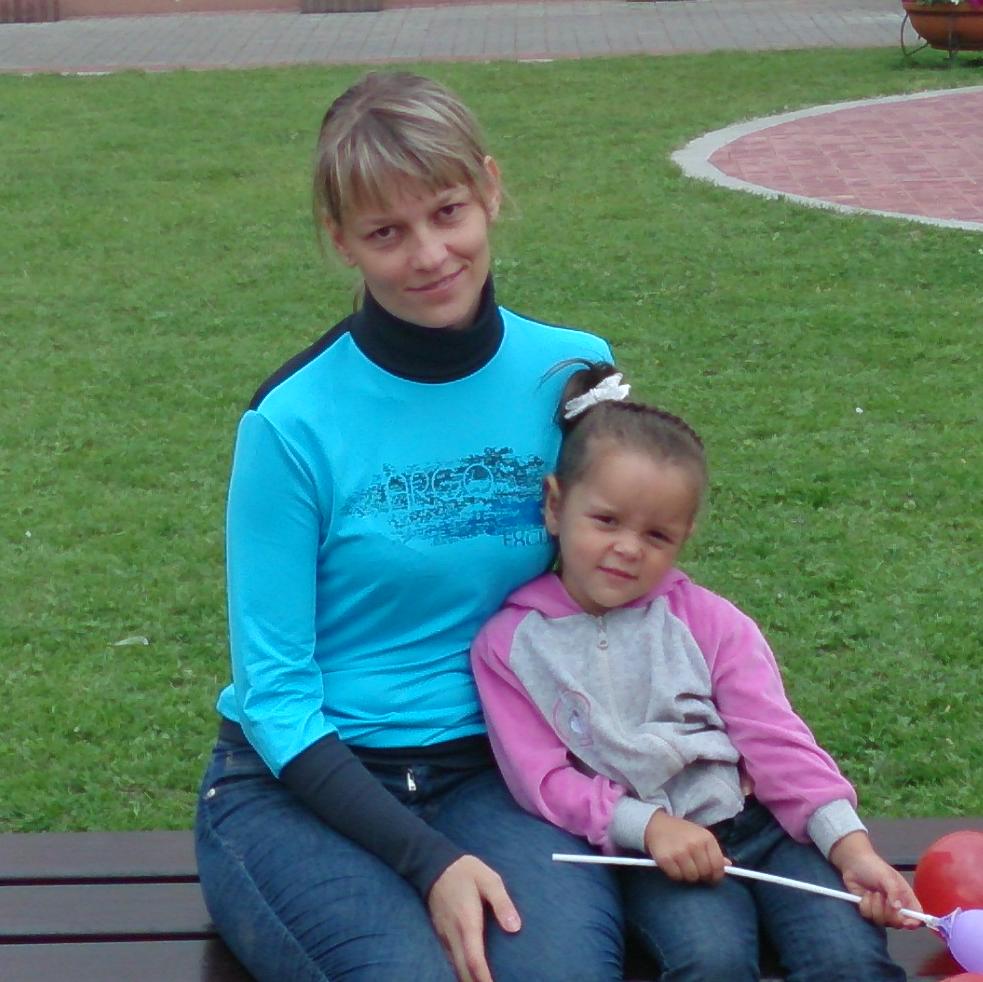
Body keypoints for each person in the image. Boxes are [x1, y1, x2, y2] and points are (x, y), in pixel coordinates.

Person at [193, 73, 628, 982]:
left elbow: (620, 580)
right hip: (304, 789)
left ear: (490, 189)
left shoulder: (573, 374)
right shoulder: (290, 423)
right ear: (340, 240)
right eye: (385, 232)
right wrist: (427, 862)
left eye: (446, 211)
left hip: (501, 770)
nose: (429, 254)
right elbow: (274, 696)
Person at [470, 362, 922, 982]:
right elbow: (542, 780)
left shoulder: (712, 622)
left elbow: (777, 743)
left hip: (767, 832)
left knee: (848, 959)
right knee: (712, 960)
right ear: (555, 505)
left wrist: (851, 846)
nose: (628, 548)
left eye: (657, 535)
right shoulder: (509, 646)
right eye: (606, 520)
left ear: (684, 537)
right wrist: (649, 827)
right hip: (658, 850)